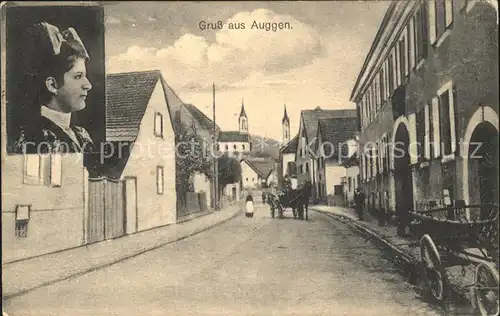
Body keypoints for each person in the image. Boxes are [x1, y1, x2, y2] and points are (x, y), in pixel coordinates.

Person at [15, 21, 94, 155]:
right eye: (78, 76)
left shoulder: (82, 135)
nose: (88, 85)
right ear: (52, 85)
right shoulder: (33, 139)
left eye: (85, 76)